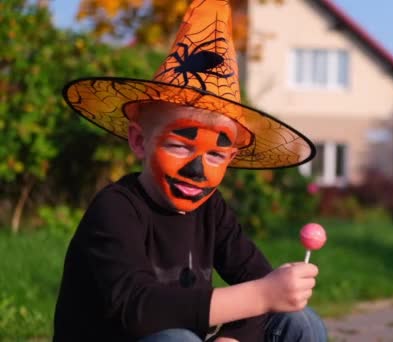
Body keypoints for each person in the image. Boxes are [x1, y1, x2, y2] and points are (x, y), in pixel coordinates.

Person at [53, 1, 325, 341]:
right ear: (139, 141)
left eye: (216, 154)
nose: (197, 170)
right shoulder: (116, 209)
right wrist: (261, 295)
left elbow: (260, 284)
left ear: (232, 156)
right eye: (180, 146)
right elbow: (138, 309)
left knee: (300, 321)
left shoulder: (212, 210)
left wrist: (236, 336)